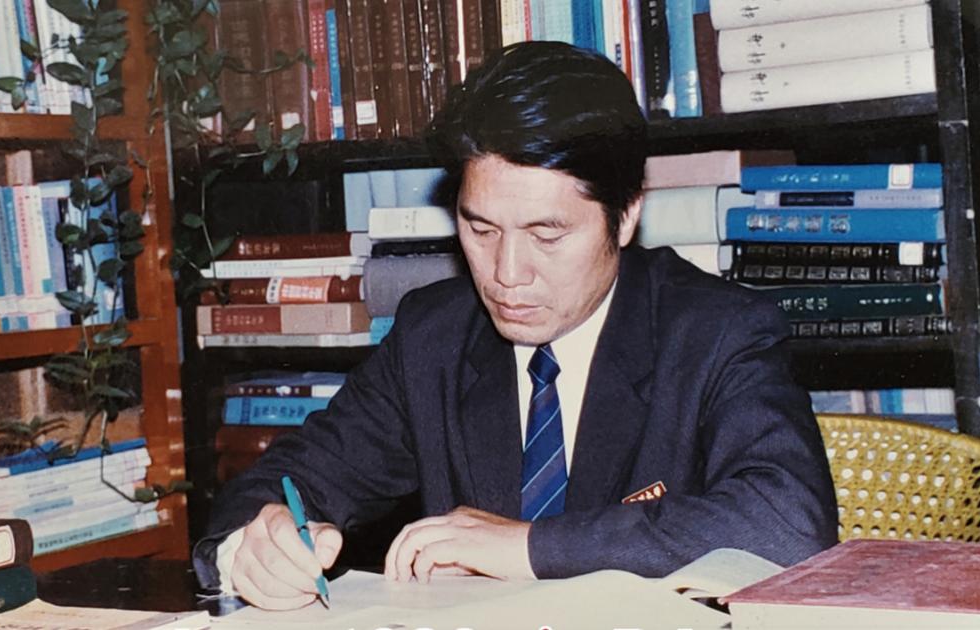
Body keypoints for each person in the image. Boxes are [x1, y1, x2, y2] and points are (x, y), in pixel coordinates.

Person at [192, 40, 838, 611]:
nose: (506, 274)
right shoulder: (434, 338)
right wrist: (256, 546)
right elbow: (280, 485)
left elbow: (786, 523)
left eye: (546, 233)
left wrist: (526, 546)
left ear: (626, 215)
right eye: (480, 228)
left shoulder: (717, 333)